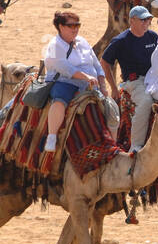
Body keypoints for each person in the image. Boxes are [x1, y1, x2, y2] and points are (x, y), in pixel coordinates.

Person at [41, 11, 114, 152]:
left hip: (90, 84)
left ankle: (113, 144)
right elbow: (66, 69)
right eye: (71, 25)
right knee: (60, 99)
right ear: (61, 26)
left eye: (77, 25)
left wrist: (103, 85)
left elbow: (97, 64)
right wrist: (87, 77)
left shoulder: (82, 41)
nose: (75, 28)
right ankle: (52, 136)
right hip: (66, 82)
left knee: (112, 110)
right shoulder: (55, 45)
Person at [100, 5, 158, 153]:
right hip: (134, 82)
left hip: (155, 78)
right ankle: (136, 145)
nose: (147, 23)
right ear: (132, 21)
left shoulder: (153, 37)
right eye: (143, 20)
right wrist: (114, 88)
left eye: (149, 20)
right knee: (146, 102)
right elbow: (105, 62)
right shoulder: (120, 40)